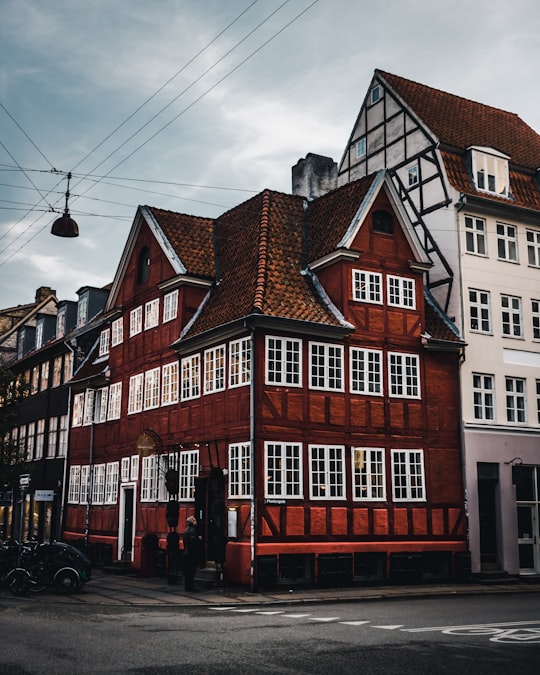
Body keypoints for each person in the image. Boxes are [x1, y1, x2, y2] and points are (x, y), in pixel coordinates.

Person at [182, 515, 202, 592]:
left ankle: (188, 587)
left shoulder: (186, 530)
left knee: (188, 571)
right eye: (194, 520)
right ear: (192, 522)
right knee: (191, 571)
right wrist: (198, 539)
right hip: (191, 553)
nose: (196, 522)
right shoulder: (193, 531)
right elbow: (193, 542)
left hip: (186, 552)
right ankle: (190, 588)